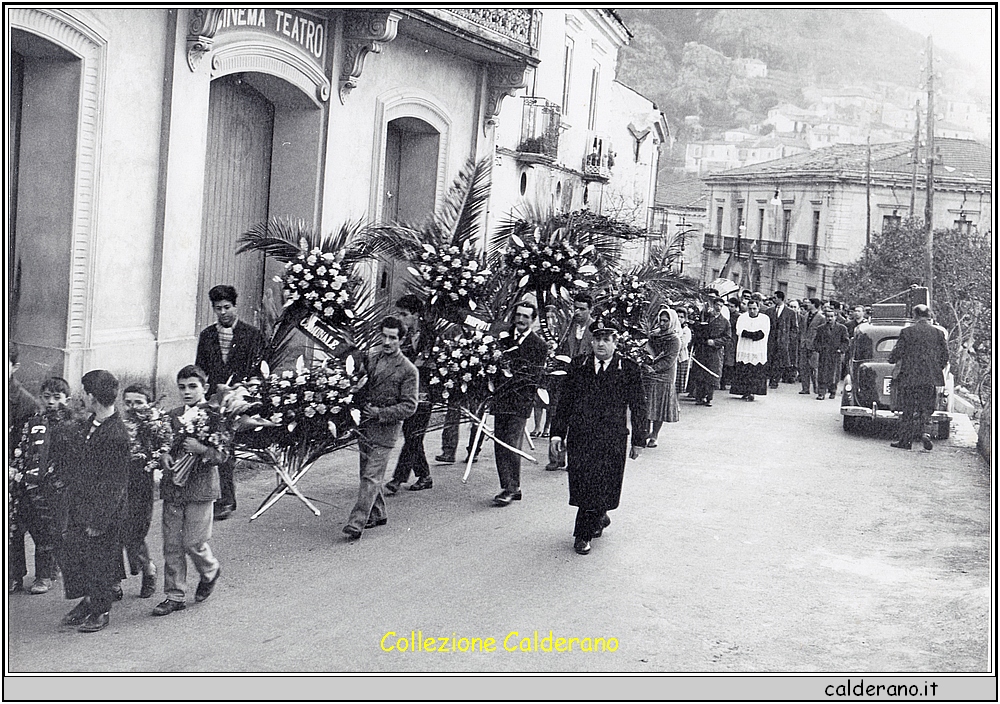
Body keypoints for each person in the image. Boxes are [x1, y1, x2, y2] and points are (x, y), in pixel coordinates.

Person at [549, 316, 646, 555]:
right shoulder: (579, 366)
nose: (601, 344)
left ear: (615, 342)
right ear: (591, 342)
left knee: (604, 483)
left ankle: (596, 518)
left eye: (606, 339)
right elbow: (565, 403)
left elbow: (639, 406)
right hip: (581, 436)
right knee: (585, 483)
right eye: (597, 339)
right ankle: (584, 532)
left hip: (611, 438)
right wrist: (557, 434)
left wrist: (638, 440)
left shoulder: (628, 369)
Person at [152, 365, 229, 616]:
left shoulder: (216, 416)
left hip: (200, 489)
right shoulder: (171, 416)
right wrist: (163, 455)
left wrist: (201, 449)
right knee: (172, 544)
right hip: (174, 488)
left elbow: (223, 455)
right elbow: (162, 443)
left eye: (193, 386)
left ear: (204, 388)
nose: (187, 391)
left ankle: (210, 571)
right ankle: (175, 594)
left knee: (194, 542)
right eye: (182, 387)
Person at [57, 370, 130, 633]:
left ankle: (101, 610)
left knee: (99, 561)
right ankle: (88, 600)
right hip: (81, 505)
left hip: (102, 512)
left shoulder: (116, 435)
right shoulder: (92, 422)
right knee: (77, 555)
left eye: (84, 392)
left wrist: (99, 520)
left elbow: (115, 484)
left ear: (92, 396)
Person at [195, 284, 266, 520]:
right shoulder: (207, 336)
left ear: (235, 306)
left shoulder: (251, 334)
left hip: (241, 399)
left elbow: (259, 370)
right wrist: (207, 393)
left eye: (227, 307)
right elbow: (200, 370)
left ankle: (227, 500)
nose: (223, 312)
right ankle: (212, 496)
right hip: (215, 400)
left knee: (227, 449)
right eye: (218, 309)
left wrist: (241, 390)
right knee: (212, 446)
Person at [343, 317, 418, 539]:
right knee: (366, 473)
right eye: (384, 336)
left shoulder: (408, 370)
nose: (387, 341)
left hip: (385, 430)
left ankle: (356, 522)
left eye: (392, 338)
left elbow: (410, 406)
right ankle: (378, 512)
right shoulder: (372, 358)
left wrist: (381, 414)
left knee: (371, 476)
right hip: (366, 427)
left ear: (402, 340)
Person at [9, 377, 78, 595]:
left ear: (67, 399)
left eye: (57, 398)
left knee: (48, 531)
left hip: (56, 487)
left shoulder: (71, 425)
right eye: (47, 397)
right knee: (18, 527)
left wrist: (61, 480)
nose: (51, 402)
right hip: (30, 484)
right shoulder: (34, 421)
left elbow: (72, 459)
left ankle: (44, 575)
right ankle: (14, 575)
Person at [491, 302, 548, 507]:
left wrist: (510, 368)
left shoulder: (539, 345)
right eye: (518, 315)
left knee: (511, 443)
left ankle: (511, 488)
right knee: (499, 442)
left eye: (526, 316)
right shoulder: (503, 338)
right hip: (501, 399)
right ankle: (508, 486)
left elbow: (533, 376)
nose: (521, 320)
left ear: (533, 320)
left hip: (520, 401)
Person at [120, 383, 173, 598]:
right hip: (119, 481)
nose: (133, 408)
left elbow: (165, 447)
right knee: (114, 529)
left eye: (139, 403)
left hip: (141, 481)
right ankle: (114, 582)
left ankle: (147, 569)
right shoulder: (118, 423)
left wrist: (158, 457)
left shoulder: (155, 424)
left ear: (148, 403)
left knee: (134, 531)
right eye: (128, 403)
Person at [385, 295, 434, 494]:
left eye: (404, 314)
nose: (400, 318)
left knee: (413, 434)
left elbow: (427, 363)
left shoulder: (430, 335)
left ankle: (398, 478)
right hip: (406, 393)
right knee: (412, 435)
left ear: (416, 315)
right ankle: (425, 475)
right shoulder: (402, 335)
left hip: (424, 393)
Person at [888, 305, 949, 451]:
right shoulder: (938, 333)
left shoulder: (907, 332)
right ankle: (925, 433)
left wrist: (892, 359)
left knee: (908, 409)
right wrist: (934, 369)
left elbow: (897, 352)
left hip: (909, 377)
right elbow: (945, 357)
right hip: (929, 378)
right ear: (929, 316)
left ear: (915, 316)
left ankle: (905, 441)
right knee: (926, 408)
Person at [546, 293, 595, 471]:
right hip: (564, 376)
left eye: (582, 309)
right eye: (576, 308)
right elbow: (557, 346)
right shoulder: (567, 326)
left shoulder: (596, 329)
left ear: (591, 309)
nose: (578, 312)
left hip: (585, 379)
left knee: (579, 419)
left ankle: (574, 458)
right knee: (557, 414)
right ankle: (555, 457)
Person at [643, 307, 682, 447]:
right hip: (649, 372)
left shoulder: (675, 339)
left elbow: (669, 360)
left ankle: (654, 435)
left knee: (659, 406)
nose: (662, 323)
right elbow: (646, 350)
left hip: (665, 375)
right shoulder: (654, 335)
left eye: (666, 320)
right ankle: (644, 431)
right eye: (661, 319)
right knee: (647, 404)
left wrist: (653, 368)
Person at [689, 296, 730, 407]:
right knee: (700, 373)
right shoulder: (704, 317)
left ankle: (709, 397)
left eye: (721, 306)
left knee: (711, 373)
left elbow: (727, 337)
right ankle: (699, 396)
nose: (718, 307)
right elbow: (696, 330)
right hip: (702, 349)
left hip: (714, 351)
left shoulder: (725, 322)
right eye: (717, 305)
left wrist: (716, 342)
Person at [730, 299, 771, 401]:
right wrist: (752, 334)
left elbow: (762, 333)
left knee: (755, 371)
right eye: (750, 309)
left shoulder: (764, 318)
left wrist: (750, 334)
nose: (752, 311)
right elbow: (740, 331)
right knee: (744, 370)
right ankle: (744, 391)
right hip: (744, 348)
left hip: (757, 349)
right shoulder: (742, 317)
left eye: (754, 309)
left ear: (758, 308)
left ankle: (752, 392)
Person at [814, 308, 850, 400]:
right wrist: (819, 349)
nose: (829, 319)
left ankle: (832, 390)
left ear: (835, 317)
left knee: (834, 373)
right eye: (827, 317)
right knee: (822, 373)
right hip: (824, 354)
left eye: (831, 316)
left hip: (835, 354)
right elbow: (816, 341)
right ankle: (821, 392)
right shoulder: (820, 328)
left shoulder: (842, 328)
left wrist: (841, 350)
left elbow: (845, 341)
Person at [766, 291, 798, 387]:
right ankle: (771, 378)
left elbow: (794, 328)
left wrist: (788, 339)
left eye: (775, 298)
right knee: (771, 360)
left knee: (779, 362)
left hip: (783, 341)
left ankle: (775, 381)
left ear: (780, 299)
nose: (773, 299)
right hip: (771, 340)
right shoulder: (769, 311)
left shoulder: (790, 312)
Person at [798, 298, 825, 395]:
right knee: (803, 366)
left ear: (814, 304)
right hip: (804, 344)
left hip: (814, 346)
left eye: (809, 303)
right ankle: (805, 388)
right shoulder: (805, 316)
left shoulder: (821, 317)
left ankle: (817, 388)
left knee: (814, 368)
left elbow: (822, 333)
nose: (807, 305)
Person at [675, 306, 693, 398]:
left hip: (680, 359)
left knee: (677, 386)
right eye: (677, 316)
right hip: (671, 359)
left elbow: (681, 344)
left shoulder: (686, 331)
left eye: (681, 317)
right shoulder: (671, 328)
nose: (679, 319)